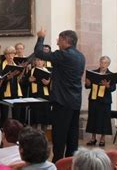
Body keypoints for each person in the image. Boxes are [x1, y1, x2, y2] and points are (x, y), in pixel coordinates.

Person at [34, 28, 85, 162]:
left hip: (62, 101)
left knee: (59, 134)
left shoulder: (64, 55)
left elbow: (39, 53)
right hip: (75, 101)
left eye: (59, 39)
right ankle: (70, 162)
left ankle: (58, 162)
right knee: (72, 135)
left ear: (66, 40)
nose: (57, 42)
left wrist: (41, 37)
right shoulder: (81, 56)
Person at [85, 56, 116, 147]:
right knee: (93, 118)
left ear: (108, 64)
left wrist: (108, 86)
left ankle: (102, 139)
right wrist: (87, 84)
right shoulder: (94, 73)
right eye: (102, 62)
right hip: (94, 99)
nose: (103, 64)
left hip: (105, 101)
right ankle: (93, 138)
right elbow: (88, 86)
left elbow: (113, 88)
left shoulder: (111, 75)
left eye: (105, 63)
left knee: (104, 120)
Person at [22, 57, 51, 131]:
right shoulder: (31, 71)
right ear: (34, 62)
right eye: (37, 60)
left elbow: (52, 85)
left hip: (45, 97)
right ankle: (34, 135)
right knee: (35, 117)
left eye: (41, 60)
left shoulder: (48, 71)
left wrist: (48, 83)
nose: (39, 62)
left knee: (45, 119)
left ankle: (43, 134)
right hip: (35, 97)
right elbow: (23, 83)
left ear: (44, 62)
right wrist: (29, 80)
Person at [0, 46, 23, 125]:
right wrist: (8, 77)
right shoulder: (1, 66)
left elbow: (19, 79)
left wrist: (21, 71)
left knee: (17, 113)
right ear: (5, 55)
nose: (10, 56)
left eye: (12, 54)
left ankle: (17, 129)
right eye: (8, 54)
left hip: (16, 90)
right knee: (5, 114)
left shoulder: (16, 65)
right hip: (5, 91)